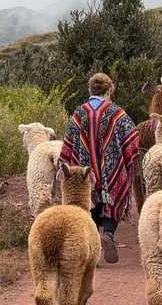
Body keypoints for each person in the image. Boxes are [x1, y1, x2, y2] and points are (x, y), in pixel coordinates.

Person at [59, 72, 139, 265]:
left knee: (91, 201)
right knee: (113, 197)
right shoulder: (116, 112)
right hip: (112, 167)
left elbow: (68, 140)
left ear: (90, 90)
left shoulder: (80, 112)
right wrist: (129, 161)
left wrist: (64, 163)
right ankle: (109, 235)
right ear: (109, 91)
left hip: (86, 170)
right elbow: (132, 136)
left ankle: (94, 246)